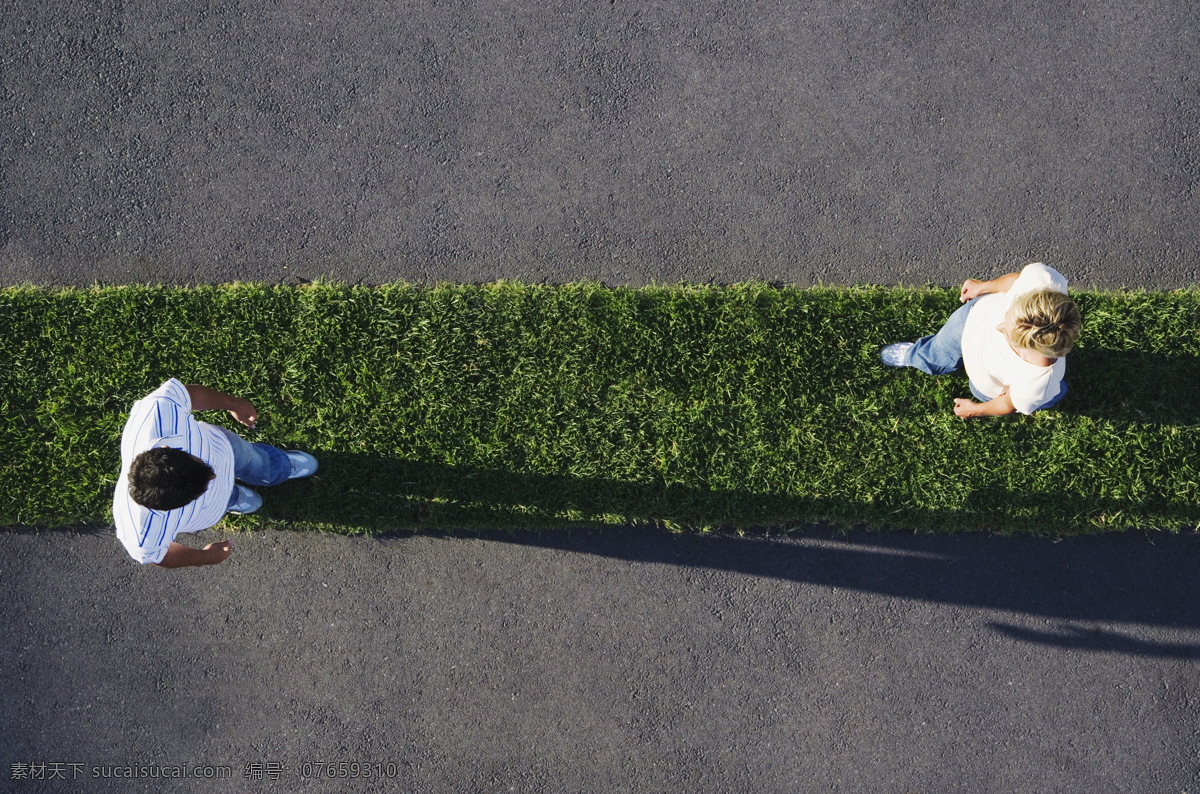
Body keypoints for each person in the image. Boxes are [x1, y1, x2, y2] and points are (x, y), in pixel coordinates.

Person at [113, 379, 317, 567]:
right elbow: (159, 555)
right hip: (211, 508)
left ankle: (277, 467)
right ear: (167, 508)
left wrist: (233, 403)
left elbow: (188, 395)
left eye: (203, 468)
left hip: (225, 448)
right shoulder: (139, 533)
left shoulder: (159, 412)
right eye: (200, 492)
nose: (213, 477)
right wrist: (204, 558)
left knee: (254, 459)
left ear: (166, 449)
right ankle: (231, 498)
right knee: (226, 497)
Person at [880, 262, 1082, 418]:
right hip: (970, 319)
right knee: (939, 349)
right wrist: (982, 288)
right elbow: (1015, 282)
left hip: (985, 380)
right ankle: (916, 356)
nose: (998, 327)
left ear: (1032, 348)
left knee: (1045, 393)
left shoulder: (1036, 383)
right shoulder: (1043, 281)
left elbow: (1005, 404)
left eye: (1008, 334)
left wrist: (974, 410)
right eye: (1007, 316)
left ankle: (1051, 395)